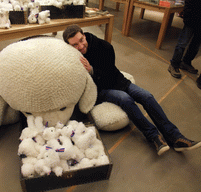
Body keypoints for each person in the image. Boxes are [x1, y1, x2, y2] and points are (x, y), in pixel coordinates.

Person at [63, 24, 201, 156]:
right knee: (125, 99)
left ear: (84, 35)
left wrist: (92, 70)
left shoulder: (104, 47)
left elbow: (110, 74)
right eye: (75, 45)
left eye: (81, 40)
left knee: (147, 96)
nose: (80, 46)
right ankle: (154, 137)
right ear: (69, 46)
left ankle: (175, 137)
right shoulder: (71, 58)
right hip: (100, 90)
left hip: (116, 80)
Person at [168, 0, 201, 89]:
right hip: (192, 18)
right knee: (182, 43)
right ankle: (174, 64)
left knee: (196, 45)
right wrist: (187, 15)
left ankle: (186, 62)